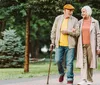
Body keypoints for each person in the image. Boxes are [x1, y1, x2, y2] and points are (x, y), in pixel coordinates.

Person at [50, 4, 79, 85]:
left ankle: (70, 79)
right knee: (58, 60)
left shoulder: (75, 20)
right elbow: (53, 31)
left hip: (70, 46)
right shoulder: (58, 19)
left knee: (69, 63)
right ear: (64, 10)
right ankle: (61, 73)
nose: (71, 12)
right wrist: (52, 42)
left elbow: (77, 33)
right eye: (69, 10)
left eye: (72, 11)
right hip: (59, 45)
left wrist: (68, 32)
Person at [76, 5, 100, 85]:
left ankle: (89, 80)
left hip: (91, 45)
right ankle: (83, 79)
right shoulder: (79, 22)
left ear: (88, 12)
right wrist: (73, 31)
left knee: (90, 63)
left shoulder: (95, 22)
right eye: (82, 12)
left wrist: (98, 47)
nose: (82, 13)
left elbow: (98, 35)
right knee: (83, 63)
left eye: (84, 11)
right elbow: (76, 33)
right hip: (82, 45)